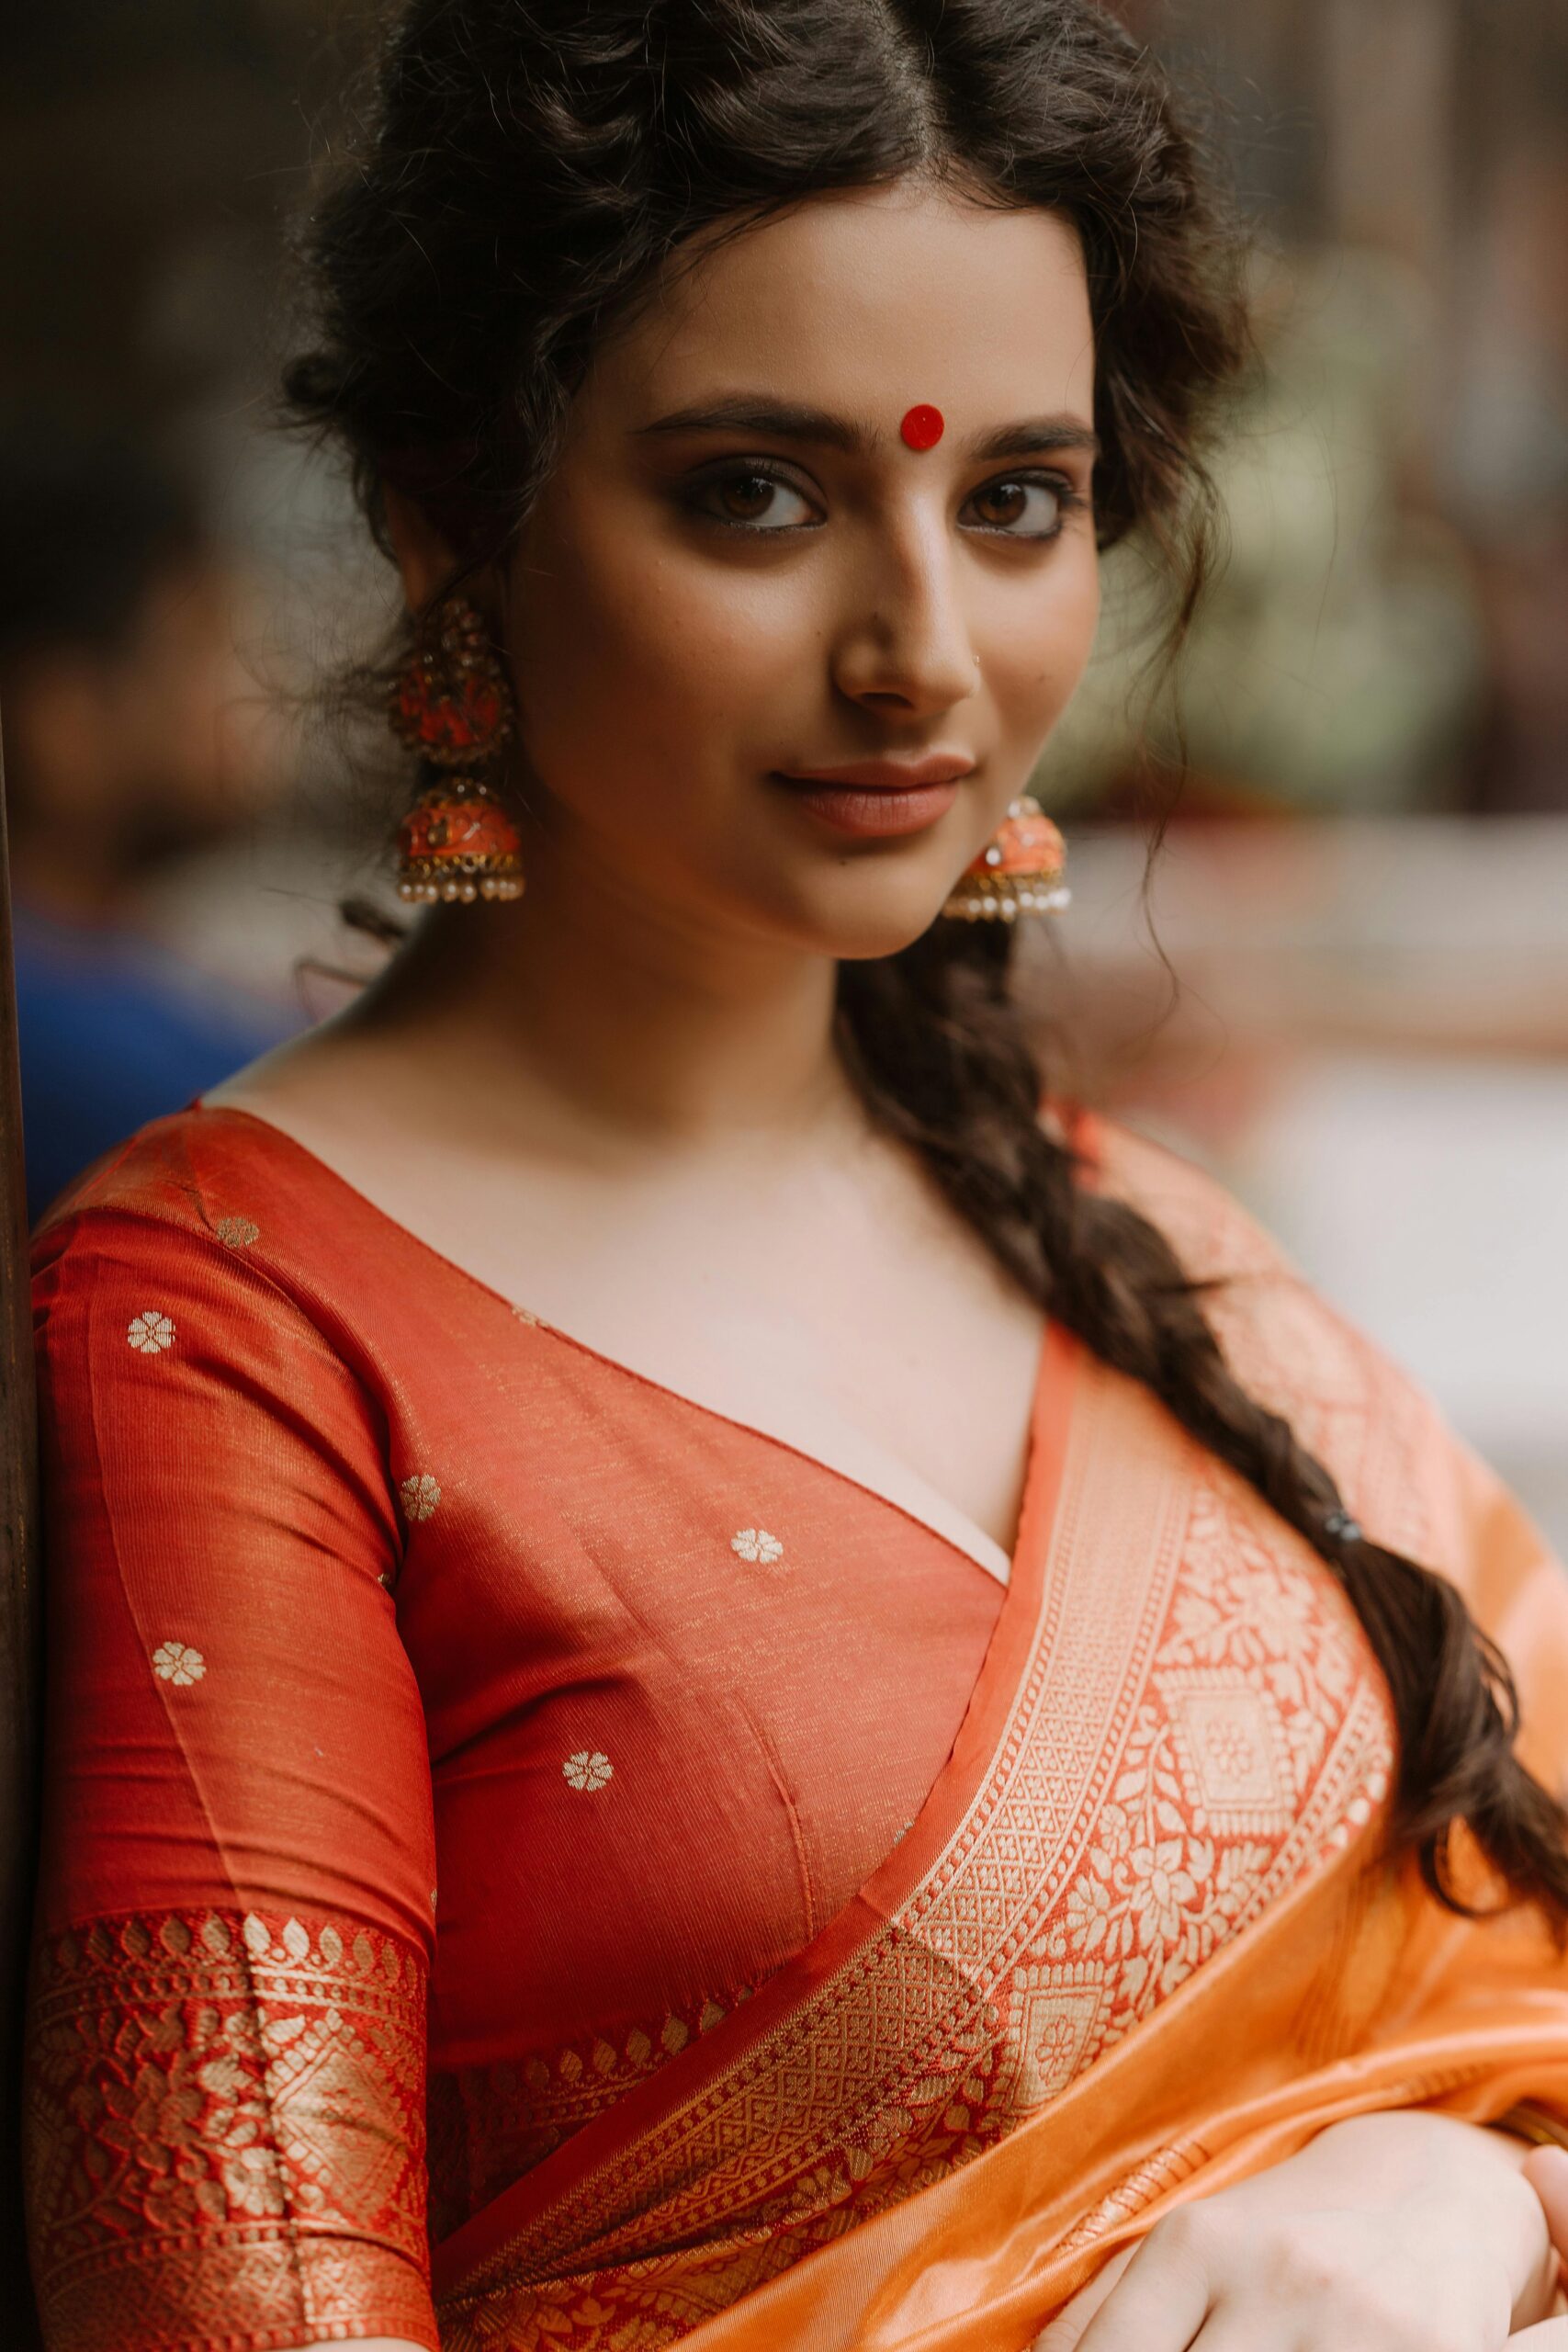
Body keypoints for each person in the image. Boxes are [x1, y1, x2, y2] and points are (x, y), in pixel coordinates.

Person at [22, 4, 1568, 2348]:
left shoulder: (1132, 1237)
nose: (917, 652)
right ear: (455, 514)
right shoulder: (226, 1331)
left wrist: (1452, 2198)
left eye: (1012, 498)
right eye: (755, 489)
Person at [0, 424, 302, 1225]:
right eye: (202, 647)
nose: (251, 699)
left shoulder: (114, 963)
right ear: (62, 722)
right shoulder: (41, 1036)